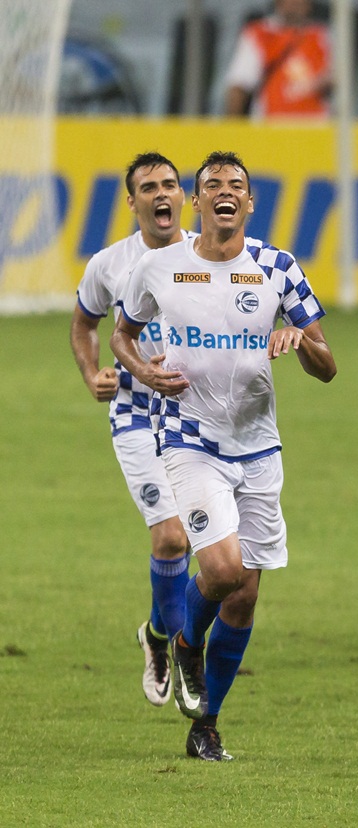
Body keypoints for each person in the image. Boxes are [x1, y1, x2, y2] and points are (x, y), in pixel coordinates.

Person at [112, 151, 337, 761]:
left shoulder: (277, 267)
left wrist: (300, 341)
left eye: (236, 185)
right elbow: (122, 335)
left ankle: (205, 725)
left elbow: (327, 365)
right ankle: (185, 643)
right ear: (197, 201)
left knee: (244, 596)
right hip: (190, 441)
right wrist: (143, 373)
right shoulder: (160, 268)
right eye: (213, 186)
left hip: (260, 448)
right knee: (221, 570)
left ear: (249, 202)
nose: (225, 194)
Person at [69, 151, 191, 708]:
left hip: (198, 413)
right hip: (136, 411)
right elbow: (82, 324)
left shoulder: (206, 256)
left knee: (213, 553)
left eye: (169, 184)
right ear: (132, 201)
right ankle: (189, 654)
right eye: (149, 187)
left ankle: (158, 636)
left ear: (183, 195)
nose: (161, 194)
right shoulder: (109, 264)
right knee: (170, 537)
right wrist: (92, 372)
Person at [223, 0, 331, 119]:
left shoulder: (322, 35)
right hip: (271, 126)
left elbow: (338, 79)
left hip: (318, 128)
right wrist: (233, 131)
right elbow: (240, 85)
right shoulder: (260, 33)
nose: (295, 3)